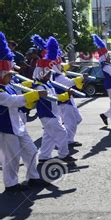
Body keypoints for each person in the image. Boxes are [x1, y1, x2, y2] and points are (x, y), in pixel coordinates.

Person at [0, 32, 48, 192]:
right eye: (8, 74)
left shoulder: (10, 86)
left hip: (17, 124)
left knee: (31, 150)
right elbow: (12, 101)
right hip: (6, 128)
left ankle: (33, 177)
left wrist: (32, 98)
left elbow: (21, 102)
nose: (10, 77)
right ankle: (11, 184)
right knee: (11, 158)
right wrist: (35, 94)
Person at [31, 37, 76, 163]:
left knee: (49, 136)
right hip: (47, 114)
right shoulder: (39, 86)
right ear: (40, 73)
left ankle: (44, 156)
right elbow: (50, 98)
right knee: (61, 133)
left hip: (53, 113)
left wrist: (66, 94)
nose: (49, 74)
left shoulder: (48, 84)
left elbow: (55, 98)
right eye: (47, 73)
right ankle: (64, 155)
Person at [47, 36, 84, 147]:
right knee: (71, 122)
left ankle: (66, 139)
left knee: (76, 119)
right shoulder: (56, 76)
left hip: (67, 99)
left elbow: (61, 68)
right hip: (63, 100)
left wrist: (69, 65)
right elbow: (67, 83)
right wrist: (81, 78)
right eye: (59, 64)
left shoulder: (56, 72)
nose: (61, 65)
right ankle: (66, 141)